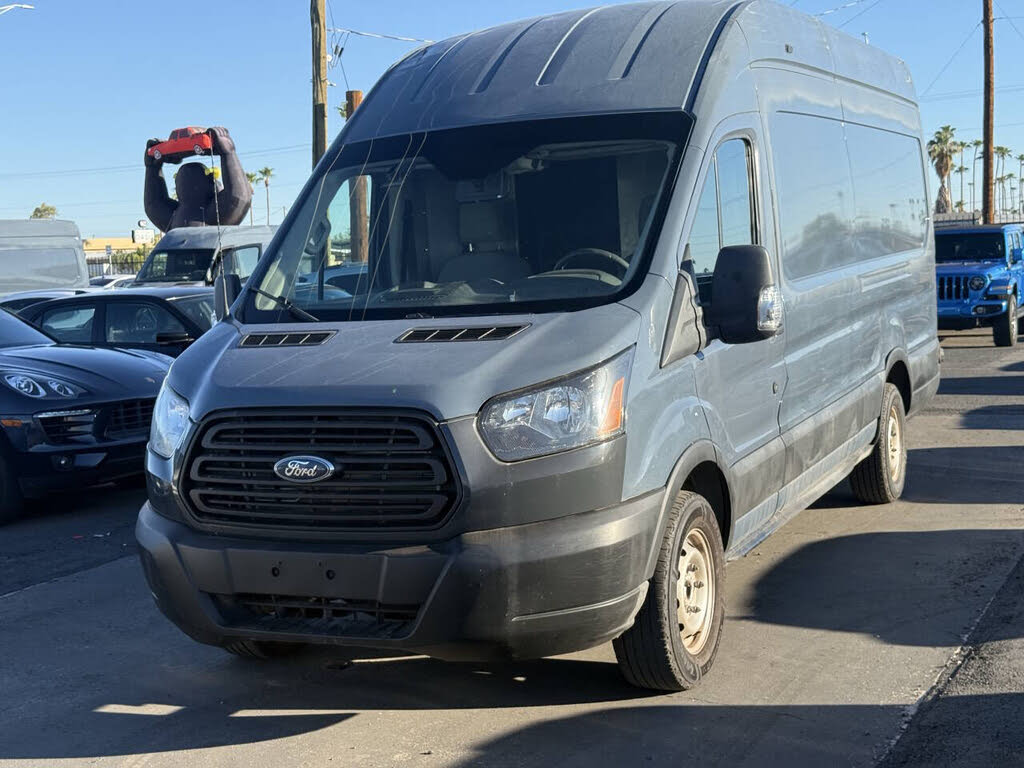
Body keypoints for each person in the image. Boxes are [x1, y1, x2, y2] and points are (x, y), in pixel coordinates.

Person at [143, 126, 251, 232]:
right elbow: (238, 197)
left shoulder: (174, 216)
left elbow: (153, 203)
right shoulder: (213, 212)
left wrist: (152, 168)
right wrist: (228, 153)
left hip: (185, 248)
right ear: (211, 181)